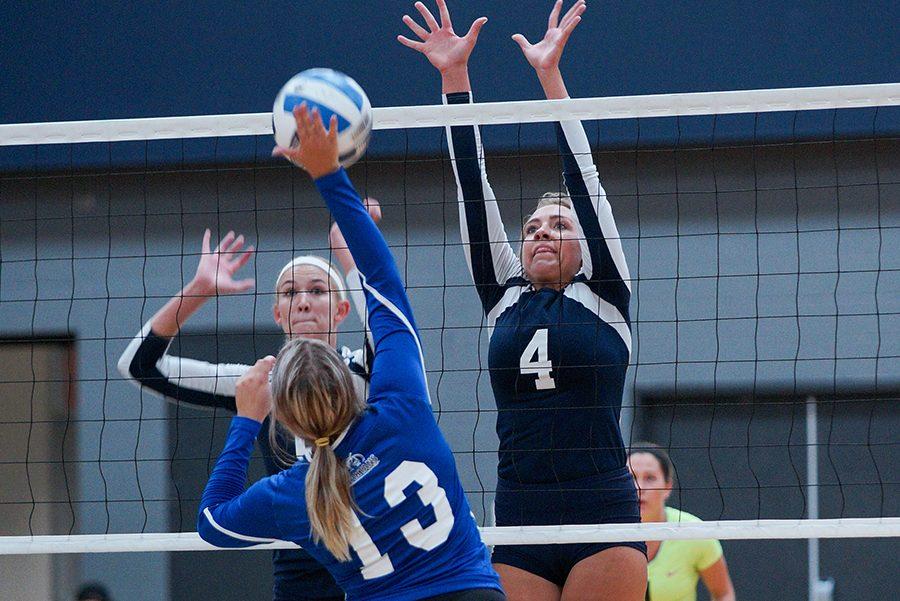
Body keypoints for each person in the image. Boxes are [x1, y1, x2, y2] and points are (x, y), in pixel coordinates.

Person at [197, 103, 505, 601]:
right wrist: (329, 174)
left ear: (289, 422)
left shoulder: (293, 491)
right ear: (350, 380)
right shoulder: (401, 412)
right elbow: (385, 284)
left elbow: (211, 522)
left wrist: (246, 421)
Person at [399, 1, 647, 599]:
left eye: (556, 226)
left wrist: (549, 79)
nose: (538, 232)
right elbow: (470, 180)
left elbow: (584, 177)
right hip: (519, 514)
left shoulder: (605, 292)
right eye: (531, 226)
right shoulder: (502, 297)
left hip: (602, 515)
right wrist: (453, 79)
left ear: (585, 246)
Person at [117, 198, 382, 601]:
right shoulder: (259, 384)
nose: (304, 301)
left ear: (343, 309)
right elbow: (139, 365)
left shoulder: (366, 371)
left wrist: (354, 251)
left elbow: (387, 325)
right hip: (299, 573)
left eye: (318, 291)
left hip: (376, 560)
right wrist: (198, 291)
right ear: (278, 313)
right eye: (291, 293)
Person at [627, 444, 736, 601]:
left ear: (667, 487)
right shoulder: (601, 533)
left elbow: (723, 594)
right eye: (631, 477)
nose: (640, 487)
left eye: (650, 478)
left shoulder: (693, 532)